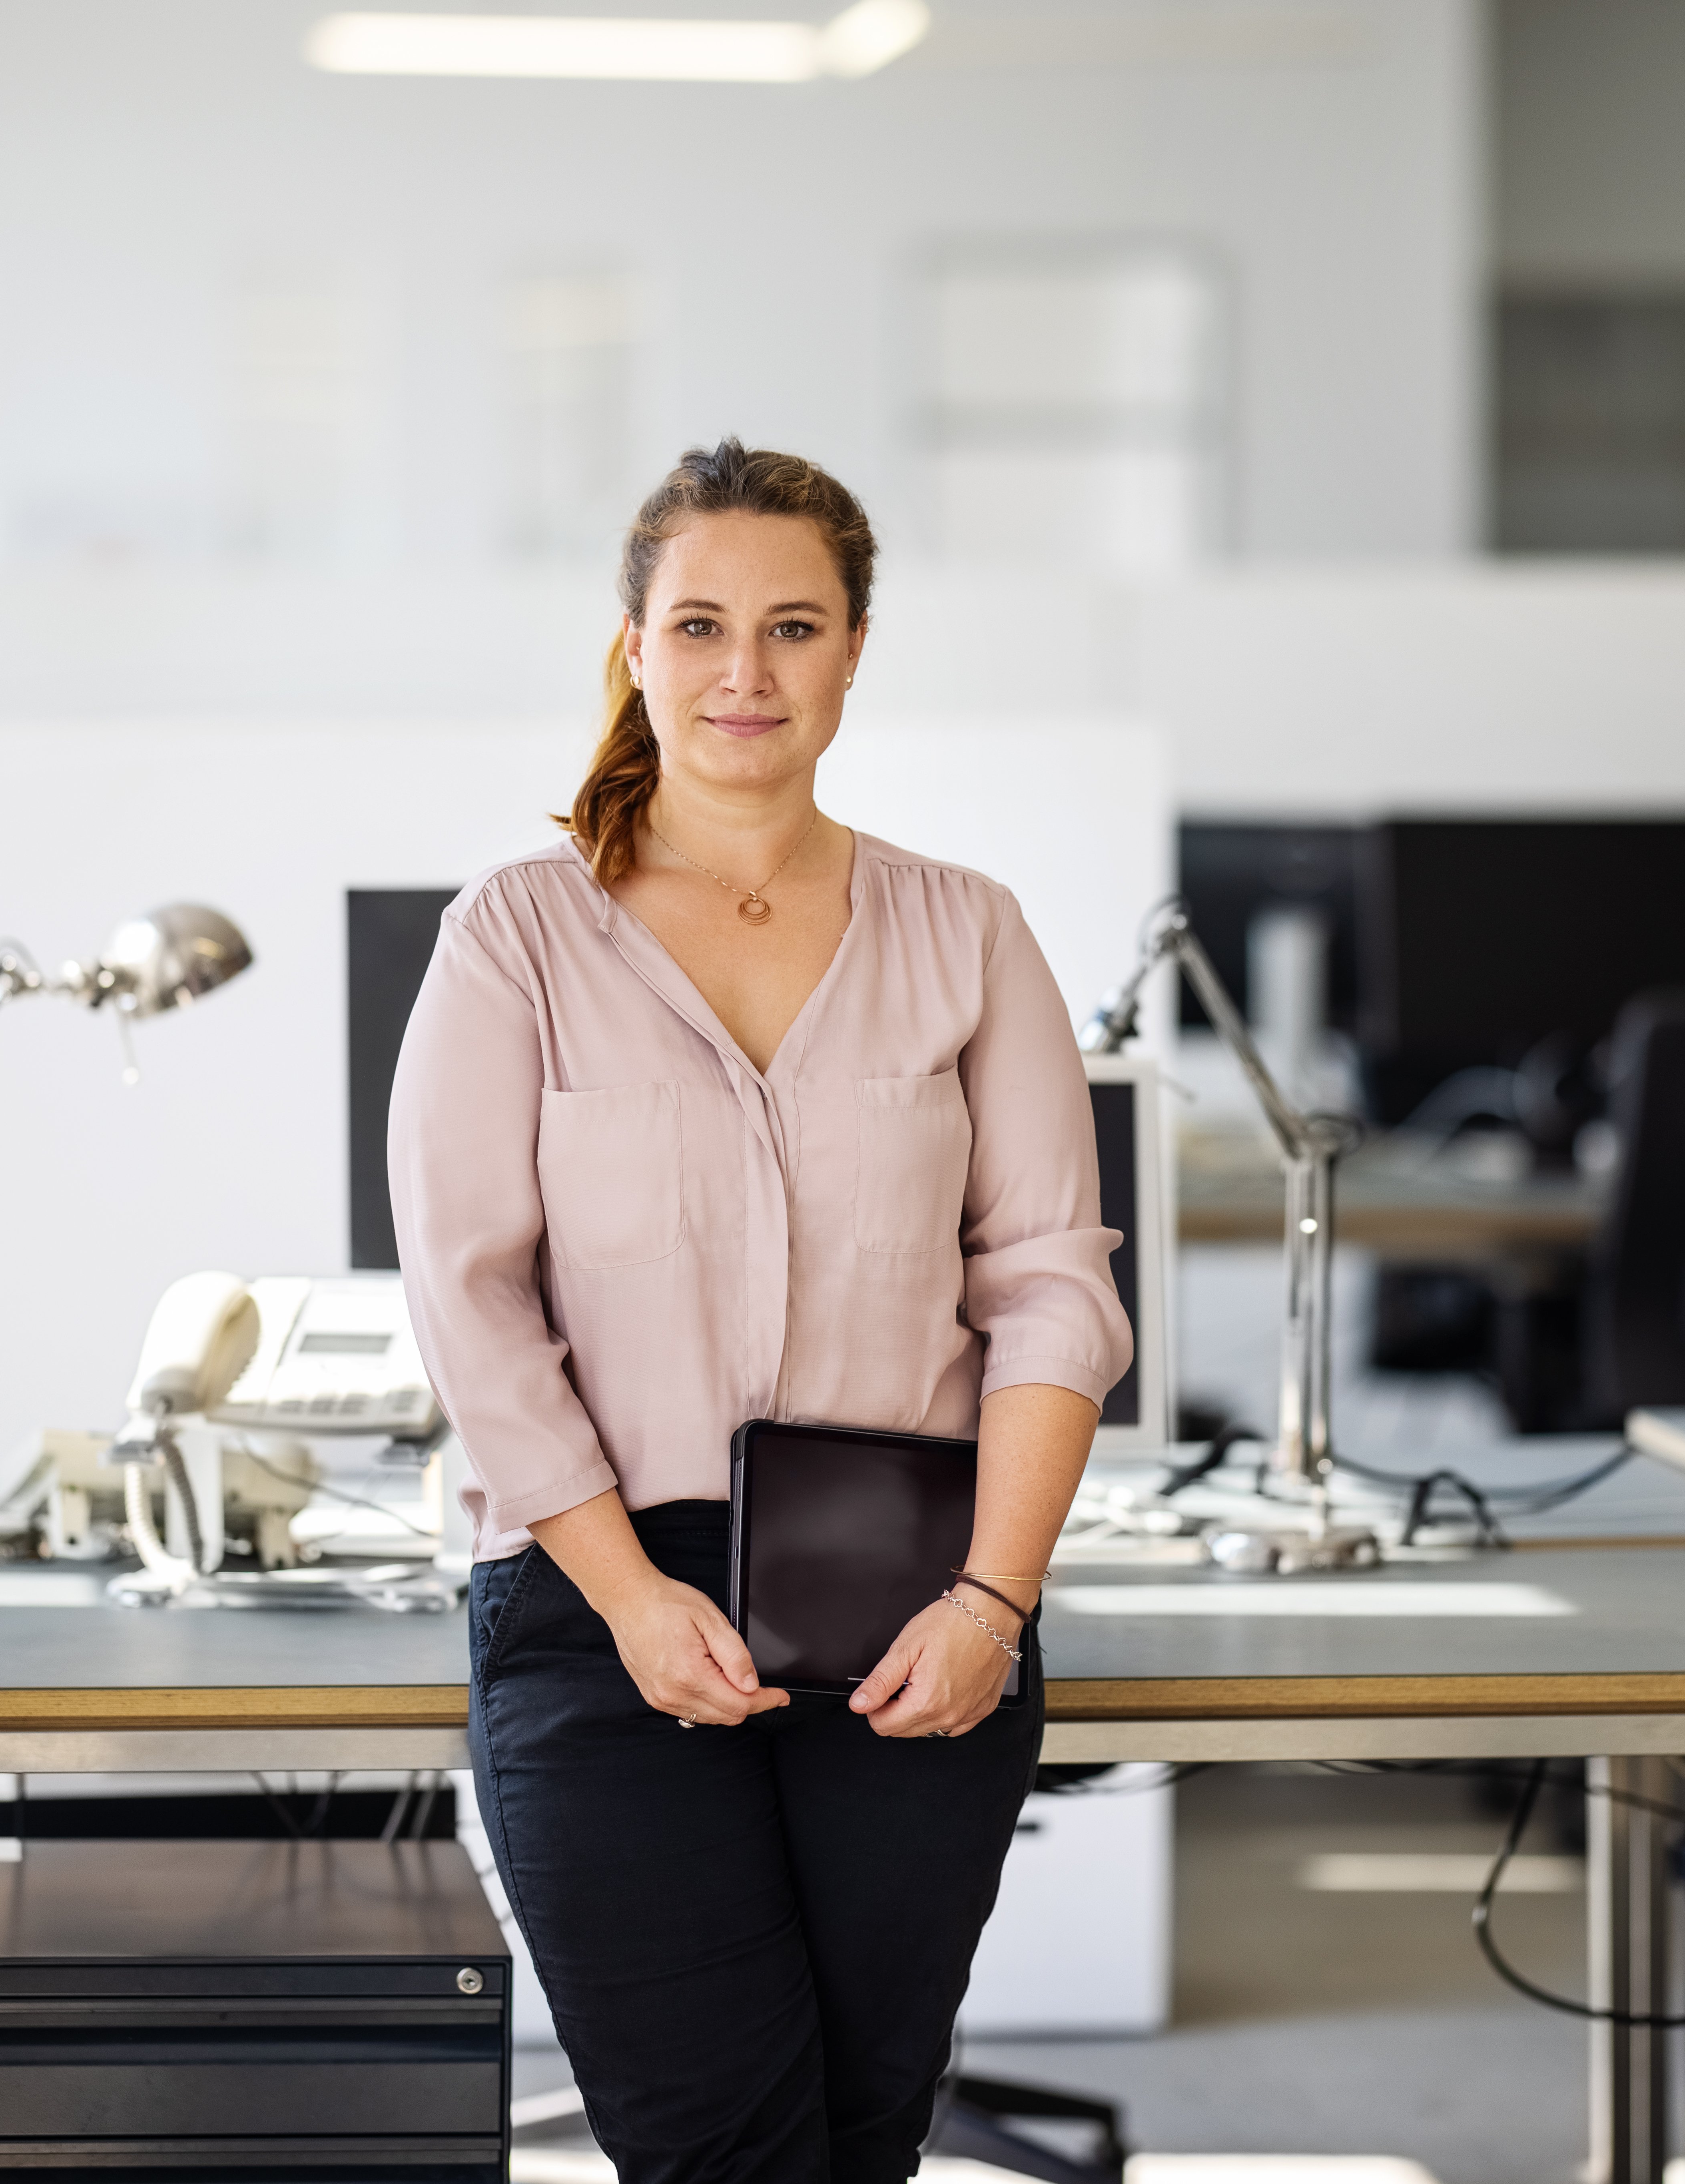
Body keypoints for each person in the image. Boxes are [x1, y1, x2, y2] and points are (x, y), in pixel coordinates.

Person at [385, 438, 1132, 2184]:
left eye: (793, 627)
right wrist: (633, 1598)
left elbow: (1049, 1288)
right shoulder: (517, 938)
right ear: (633, 643)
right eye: (701, 622)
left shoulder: (969, 934)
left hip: (909, 1613)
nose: (745, 671)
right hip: (598, 1610)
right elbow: (471, 1298)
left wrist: (988, 1600)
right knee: (719, 2144)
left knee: (859, 2137)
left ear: (854, 653)